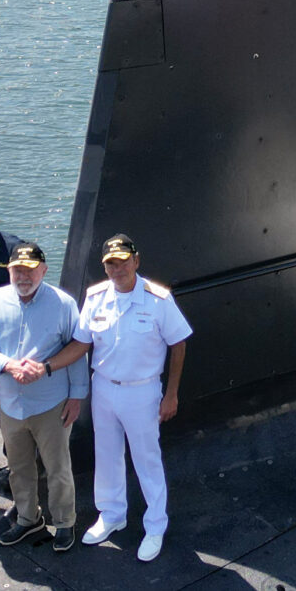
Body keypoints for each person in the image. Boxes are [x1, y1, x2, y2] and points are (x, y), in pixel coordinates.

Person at [49, 235, 192, 564]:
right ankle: (112, 514)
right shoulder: (96, 297)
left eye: (123, 261)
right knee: (107, 454)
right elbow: (82, 344)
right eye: (111, 263)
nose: (118, 268)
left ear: (136, 261)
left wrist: (171, 394)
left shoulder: (158, 300)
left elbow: (179, 343)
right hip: (104, 387)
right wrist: (46, 367)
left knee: (147, 459)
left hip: (142, 390)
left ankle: (155, 524)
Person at [0, 241, 88, 552]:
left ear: (44, 271)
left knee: (57, 467)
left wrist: (76, 396)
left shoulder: (63, 303)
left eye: (31, 270)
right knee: (19, 467)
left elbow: (76, 351)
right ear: (8, 271)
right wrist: (8, 364)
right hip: (10, 404)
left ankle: (64, 522)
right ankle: (27, 518)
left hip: (52, 402)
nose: (24, 276)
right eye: (17, 270)